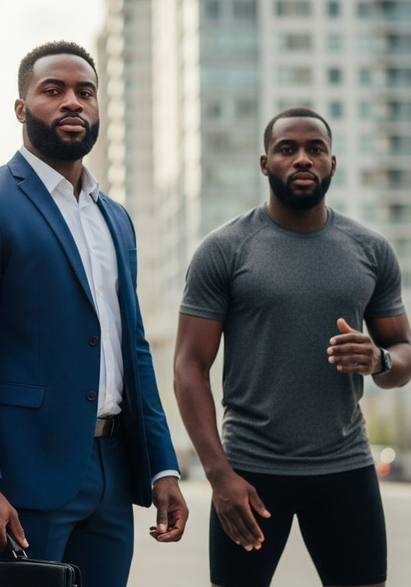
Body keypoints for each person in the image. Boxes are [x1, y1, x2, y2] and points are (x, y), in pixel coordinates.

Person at [0, 40, 187, 587]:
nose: (72, 101)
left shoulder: (115, 218)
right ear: (21, 107)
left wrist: (162, 466)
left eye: (85, 92)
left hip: (112, 474)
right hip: (21, 479)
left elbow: (131, 347)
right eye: (53, 90)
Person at [174, 106, 411, 587]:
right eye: (287, 149)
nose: (302, 159)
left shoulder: (370, 249)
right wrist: (219, 475)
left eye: (314, 149)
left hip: (346, 467)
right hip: (250, 473)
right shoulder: (226, 249)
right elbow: (188, 367)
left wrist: (379, 359)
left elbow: (403, 355)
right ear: (265, 164)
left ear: (332, 163)